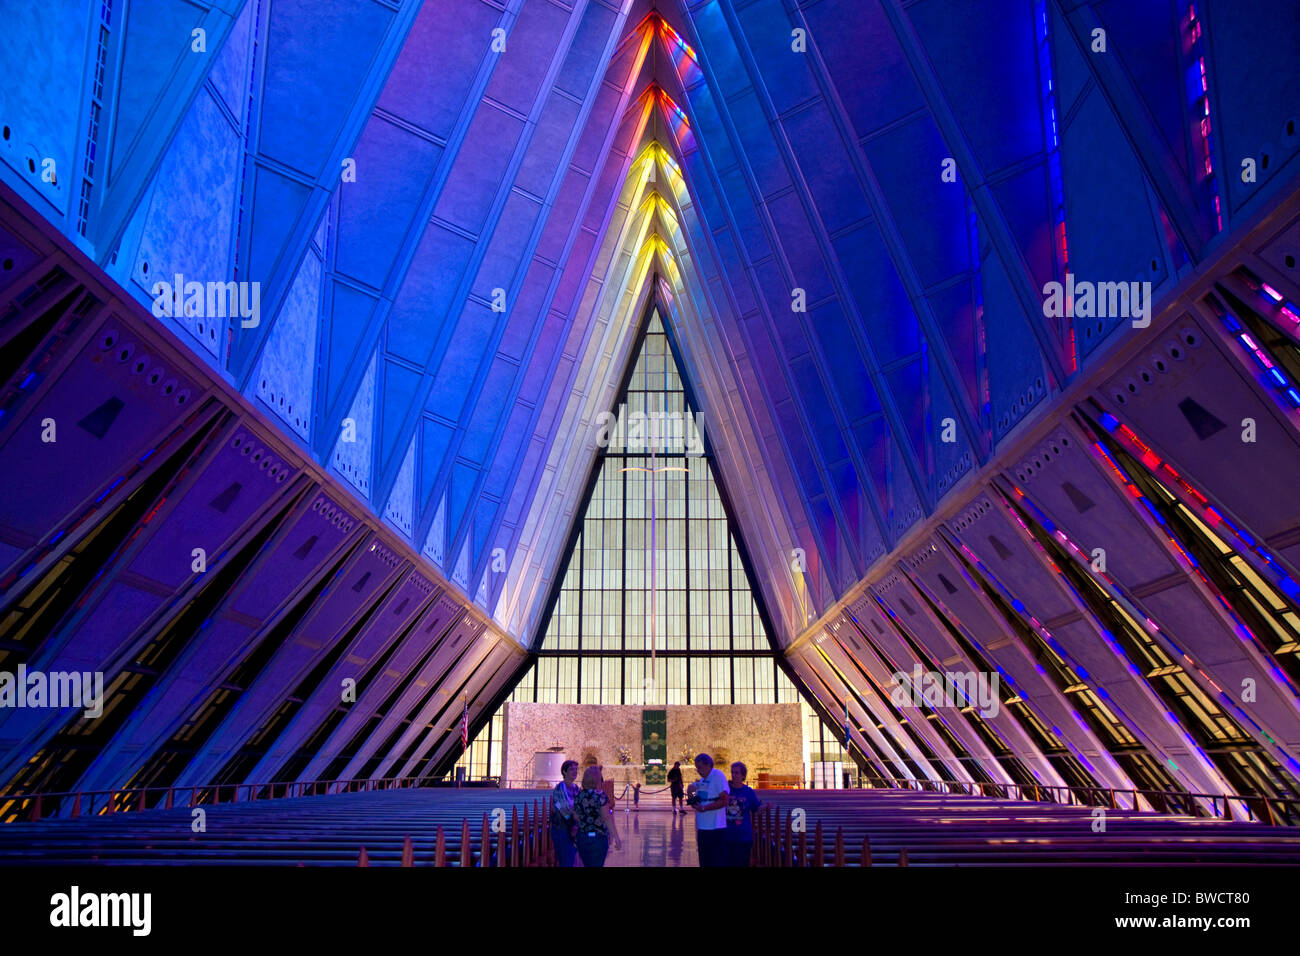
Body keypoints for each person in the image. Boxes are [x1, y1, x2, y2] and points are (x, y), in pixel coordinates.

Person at [573, 765, 622, 867]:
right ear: (598, 779)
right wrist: (616, 837)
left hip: (582, 837)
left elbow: (575, 816)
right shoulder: (600, 796)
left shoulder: (579, 796)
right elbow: (607, 817)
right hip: (598, 837)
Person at [688, 753, 729, 867]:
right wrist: (690, 795)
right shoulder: (702, 781)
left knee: (716, 861)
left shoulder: (717, 776)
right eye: (697, 768)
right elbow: (700, 801)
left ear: (708, 765)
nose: (698, 770)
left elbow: (724, 800)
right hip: (703, 828)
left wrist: (704, 808)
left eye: (699, 767)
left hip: (715, 828)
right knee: (705, 861)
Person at [724, 761, 761, 867]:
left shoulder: (748, 791)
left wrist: (765, 807)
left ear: (743, 775)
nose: (734, 775)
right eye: (732, 773)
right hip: (727, 836)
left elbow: (756, 809)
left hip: (744, 837)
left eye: (737, 773)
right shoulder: (725, 790)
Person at [550, 760, 580, 867]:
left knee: (573, 860)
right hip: (562, 829)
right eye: (571, 769)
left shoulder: (576, 789)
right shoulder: (559, 789)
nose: (575, 771)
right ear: (564, 772)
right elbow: (562, 810)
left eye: (576, 769)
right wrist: (574, 820)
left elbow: (580, 806)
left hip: (574, 829)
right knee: (565, 861)